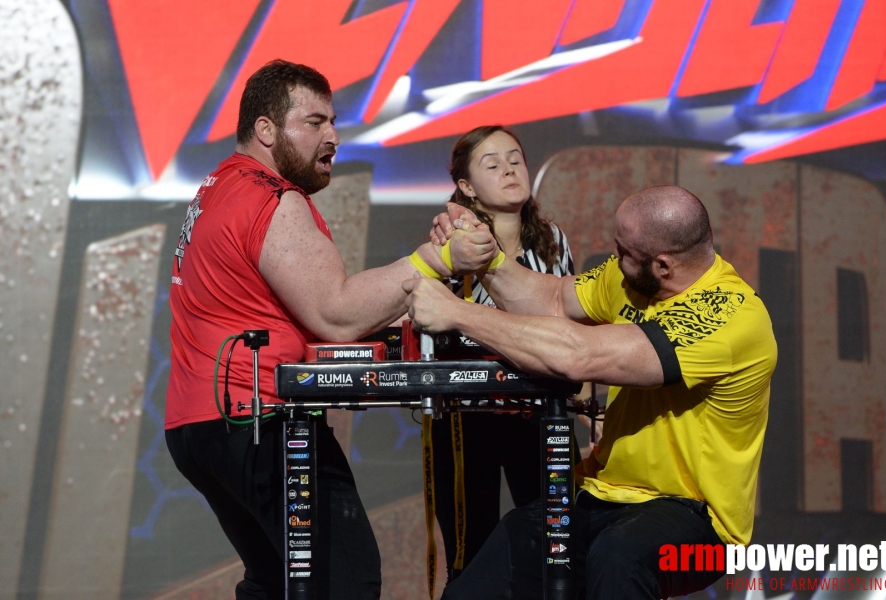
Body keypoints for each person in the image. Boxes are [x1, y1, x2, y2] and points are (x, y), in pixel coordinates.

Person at [165, 59, 494, 600]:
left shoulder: (220, 186)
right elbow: (336, 315)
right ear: (266, 130)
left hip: (202, 427)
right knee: (345, 580)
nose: (334, 137)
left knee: (277, 580)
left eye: (333, 122)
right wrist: (437, 259)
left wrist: (418, 312)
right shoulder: (272, 198)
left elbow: (302, 314)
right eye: (314, 122)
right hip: (261, 421)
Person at [405, 185, 777, 599]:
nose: (614, 259)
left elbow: (578, 356)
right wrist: (487, 256)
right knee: (514, 542)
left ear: (663, 265)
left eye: (623, 252)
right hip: (603, 495)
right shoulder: (637, 279)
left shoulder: (729, 316)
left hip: (697, 519)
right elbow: (552, 300)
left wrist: (456, 313)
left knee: (620, 554)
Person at [431, 125, 575, 582]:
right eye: (492, 164)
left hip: (541, 408)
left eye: (515, 158)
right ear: (467, 186)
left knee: (560, 542)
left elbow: (572, 328)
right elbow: (431, 317)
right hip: (466, 415)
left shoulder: (552, 237)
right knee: (470, 552)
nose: (510, 169)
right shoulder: (451, 237)